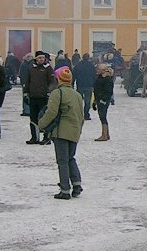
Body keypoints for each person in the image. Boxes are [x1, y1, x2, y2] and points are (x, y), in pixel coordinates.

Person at [37, 66, 85, 199]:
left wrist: (41, 124)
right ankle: (77, 185)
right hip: (74, 131)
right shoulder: (77, 94)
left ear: (58, 79)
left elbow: (51, 112)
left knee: (62, 161)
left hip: (61, 132)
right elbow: (81, 115)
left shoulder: (57, 93)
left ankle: (65, 190)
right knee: (71, 158)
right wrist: (78, 130)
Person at [25, 51, 54, 144]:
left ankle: (47, 138)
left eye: (42, 58)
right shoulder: (31, 68)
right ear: (36, 59)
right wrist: (25, 93)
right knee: (33, 118)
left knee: (44, 118)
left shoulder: (48, 68)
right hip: (33, 97)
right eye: (39, 58)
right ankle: (35, 137)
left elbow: (52, 82)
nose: (41, 59)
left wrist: (49, 92)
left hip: (44, 97)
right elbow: (28, 81)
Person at [93, 63, 114, 141]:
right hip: (99, 100)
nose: (97, 70)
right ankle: (106, 134)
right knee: (102, 116)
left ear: (103, 70)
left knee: (103, 117)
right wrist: (95, 101)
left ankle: (104, 135)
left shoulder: (107, 79)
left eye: (98, 69)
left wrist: (103, 100)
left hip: (103, 101)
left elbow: (108, 92)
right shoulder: (100, 77)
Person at [73, 53, 96, 120]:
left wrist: (72, 83)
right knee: (87, 102)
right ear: (88, 58)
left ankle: (79, 114)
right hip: (89, 85)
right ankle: (86, 114)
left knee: (79, 101)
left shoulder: (78, 65)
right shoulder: (91, 65)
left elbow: (74, 75)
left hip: (80, 85)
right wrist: (94, 85)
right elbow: (94, 76)